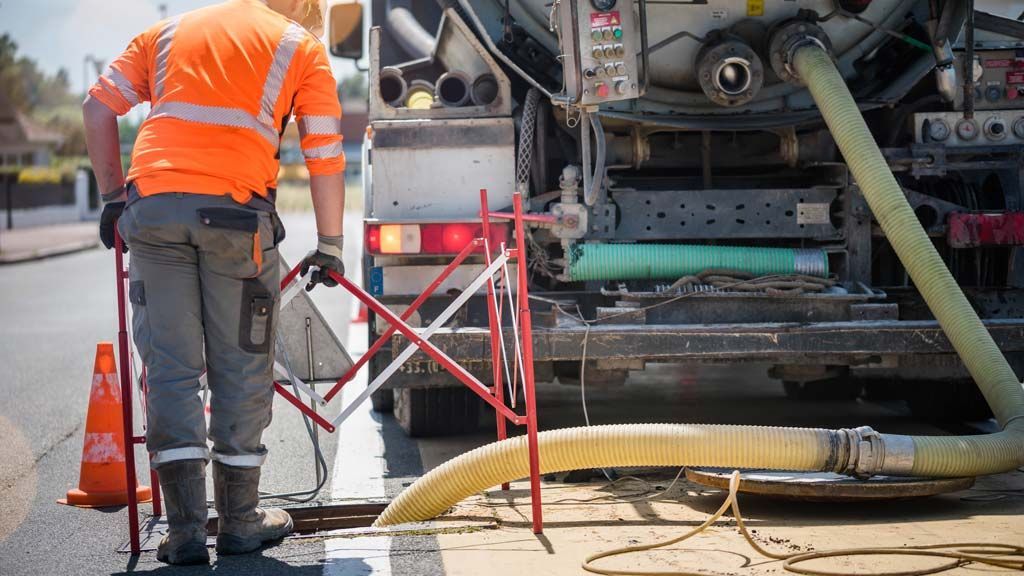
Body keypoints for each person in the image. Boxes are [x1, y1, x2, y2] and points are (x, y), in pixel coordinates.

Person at [82, 0, 346, 565]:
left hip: (150, 213)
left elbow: (98, 108)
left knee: (171, 368)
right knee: (241, 365)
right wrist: (331, 245)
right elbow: (324, 154)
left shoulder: (168, 30)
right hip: (234, 221)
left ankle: (181, 532)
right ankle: (240, 521)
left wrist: (111, 198)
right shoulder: (301, 46)